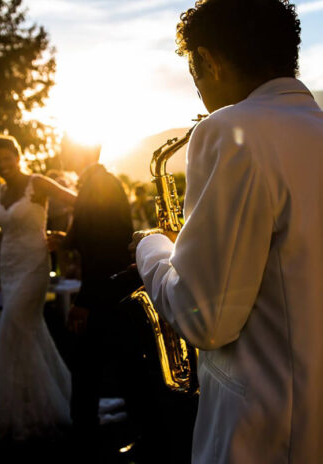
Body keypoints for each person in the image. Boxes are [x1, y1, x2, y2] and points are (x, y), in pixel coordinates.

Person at [131, 1, 323, 463]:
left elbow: (206, 319)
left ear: (208, 61)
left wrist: (152, 248)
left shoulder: (230, 130)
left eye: (194, 74)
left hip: (262, 432)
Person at [0, 134, 77, 440]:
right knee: (28, 332)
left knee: (9, 328)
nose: (2, 164)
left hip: (34, 265)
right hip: (8, 268)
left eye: (7, 157)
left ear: (18, 156)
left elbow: (79, 203)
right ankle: (31, 402)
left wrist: (68, 238)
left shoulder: (38, 183)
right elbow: (6, 235)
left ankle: (15, 410)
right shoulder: (2, 189)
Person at [49, 148, 134, 457]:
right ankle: (94, 435)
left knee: (92, 368)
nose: (60, 156)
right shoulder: (95, 183)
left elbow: (107, 247)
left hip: (106, 292)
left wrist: (84, 301)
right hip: (106, 291)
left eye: (63, 149)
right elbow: (90, 235)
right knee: (115, 367)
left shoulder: (101, 185)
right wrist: (64, 239)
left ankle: (85, 440)